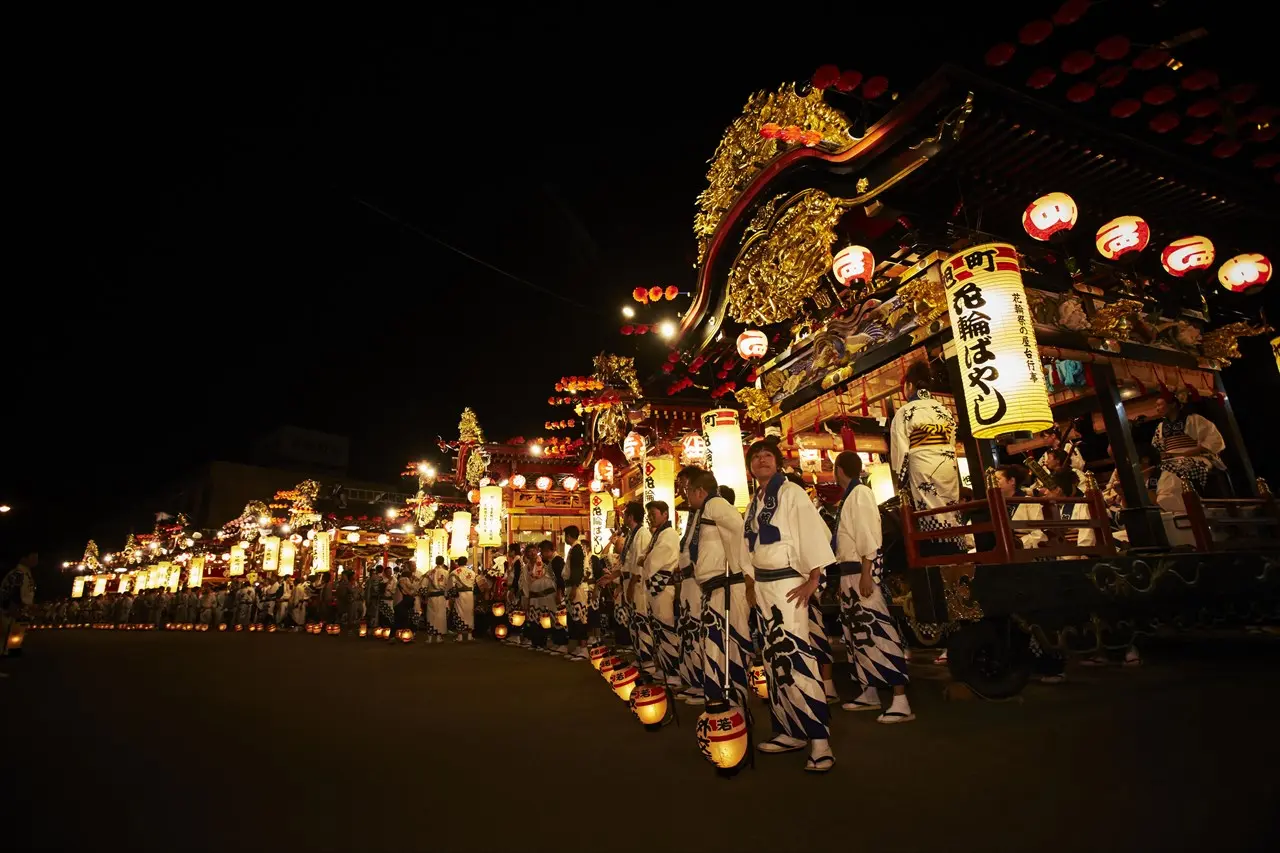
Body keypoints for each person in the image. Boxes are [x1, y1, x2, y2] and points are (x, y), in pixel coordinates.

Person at [742, 439, 837, 773]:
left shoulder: (792, 492)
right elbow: (747, 547)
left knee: (796, 656)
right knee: (772, 661)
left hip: (788, 584)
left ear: (777, 463)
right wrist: (751, 582)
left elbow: (814, 533)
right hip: (765, 588)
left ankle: (820, 741)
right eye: (756, 457)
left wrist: (814, 579)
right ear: (751, 467)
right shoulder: (755, 502)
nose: (762, 460)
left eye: (768, 456)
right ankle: (789, 729)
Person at [832, 452, 913, 722]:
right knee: (856, 636)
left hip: (861, 572)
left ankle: (900, 700)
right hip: (849, 574)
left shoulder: (860, 495)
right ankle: (868, 691)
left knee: (878, 630)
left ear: (838, 469)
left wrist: (867, 572)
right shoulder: (850, 496)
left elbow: (869, 536)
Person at [686, 472, 752, 708]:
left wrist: (745, 574)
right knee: (715, 646)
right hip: (714, 589)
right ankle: (718, 699)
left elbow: (741, 536)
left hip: (727, 587)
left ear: (699, 491)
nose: (686, 496)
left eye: (687, 490)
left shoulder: (716, 505)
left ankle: (733, 702)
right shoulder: (706, 509)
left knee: (728, 646)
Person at [890, 360, 967, 555]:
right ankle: (956, 548)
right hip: (947, 465)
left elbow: (901, 453)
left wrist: (902, 483)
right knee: (950, 510)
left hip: (921, 466)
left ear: (909, 386)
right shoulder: (944, 411)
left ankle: (936, 549)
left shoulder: (905, 412)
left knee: (928, 515)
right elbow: (952, 443)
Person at [1152, 392, 1227, 496]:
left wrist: (1196, 450)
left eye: (1159, 404)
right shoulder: (1161, 426)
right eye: (1156, 406)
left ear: (1173, 404)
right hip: (1172, 460)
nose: (1157, 408)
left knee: (1183, 468)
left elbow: (1213, 438)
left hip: (1197, 457)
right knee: (1154, 476)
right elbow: (1159, 446)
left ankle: (1195, 498)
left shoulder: (1193, 419)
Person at [675, 465, 706, 704]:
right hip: (688, 581)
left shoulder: (708, 510)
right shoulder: (693, 513)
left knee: (698, 631)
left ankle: (704, 682)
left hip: (699, 580)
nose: (684, 490)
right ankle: (694, 680)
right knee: (688, 631)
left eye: (686, 485)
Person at [642, 501, 682, 685]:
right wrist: (645, 559)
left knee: (666, 628)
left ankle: (673, 672)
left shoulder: (669, 534)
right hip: (656, 586)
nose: (650, 517)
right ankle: (664, 668)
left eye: (653, 513)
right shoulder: (658, 534)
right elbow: (644, 558)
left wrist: (645, 560)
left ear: (665, 514)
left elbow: (650, 560)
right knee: (658, 628)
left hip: (664, 586)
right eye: (649, 514)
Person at [622, 504, 654, 664]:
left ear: (631, 516)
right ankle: (640, 656)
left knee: (641, 619)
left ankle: (647, 659)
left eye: (624, 514)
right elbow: (627, 562)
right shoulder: (631, 534)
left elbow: (640, 563)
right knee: (634, 621)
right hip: (629, 580)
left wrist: (631, 585)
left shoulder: (642, 533)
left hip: (637, 583)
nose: (623, 517)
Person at [1, 553, 37, 665]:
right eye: (33, 557)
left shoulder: (26, 573)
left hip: (20, 608)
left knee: (14, 637)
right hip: (11, 609)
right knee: (5, 637)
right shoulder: (18, 573)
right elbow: (11, 592)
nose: (36, 560)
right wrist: (12, 607)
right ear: (23, 558)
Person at [562, 526, 589, 659]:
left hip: (576, 587)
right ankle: (578, 647)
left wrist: (573, 587)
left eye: (565, 536)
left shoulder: (577, 549)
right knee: (574, 618)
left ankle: (584, 648)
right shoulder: (575, 548)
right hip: (573, 586)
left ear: (568, 536)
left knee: (579, 617)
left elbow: (577, 570)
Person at [421, 557, 449, 642]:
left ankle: (430, 637)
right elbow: (449, 586)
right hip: (441, 597)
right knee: (440, 616)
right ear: (443, 562)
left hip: (431, 597)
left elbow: (423, 586)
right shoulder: (446, 573)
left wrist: (425, 596)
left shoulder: (429, 573)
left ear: (436, 562)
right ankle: (438, 637)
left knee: (431, 616)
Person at [450, 556, 477, 642]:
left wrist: (451, 596)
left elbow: (451, 586)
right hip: (470, 595)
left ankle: (460, 636)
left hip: (460, 595)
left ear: (458, 563)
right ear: (466, 562)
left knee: (459, 613)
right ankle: (469, 635)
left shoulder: (455, 572)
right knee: (469, 614)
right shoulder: (472, 572)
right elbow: (475, 584)